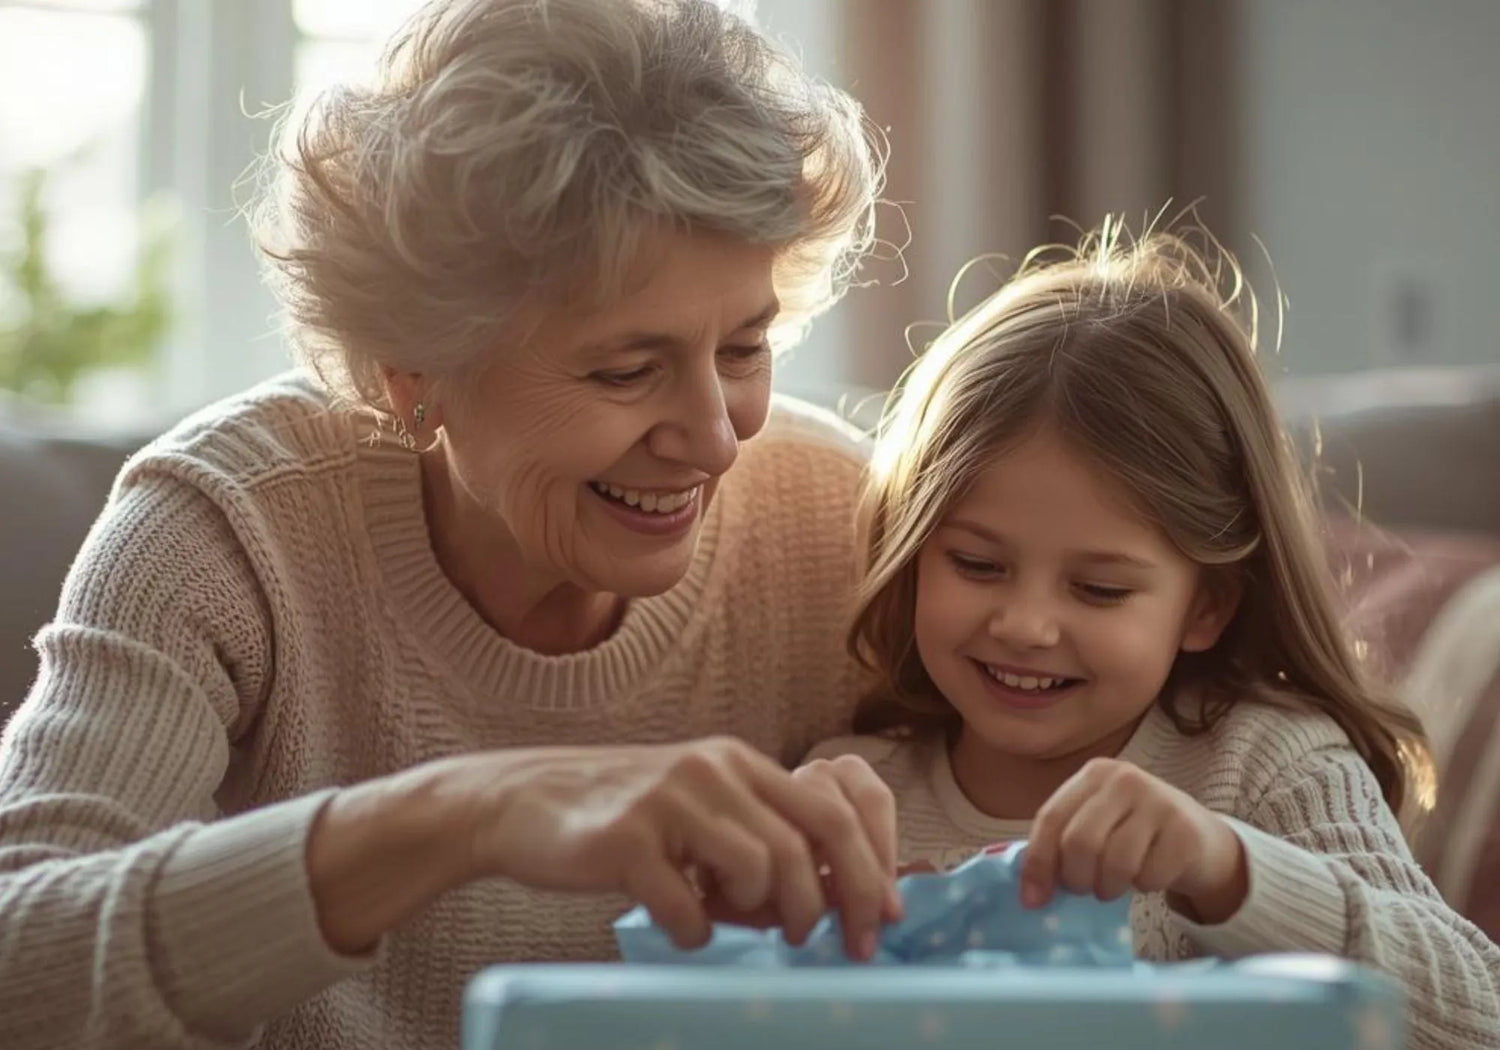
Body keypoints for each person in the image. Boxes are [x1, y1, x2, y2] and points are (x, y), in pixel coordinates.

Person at [0, 2, 904, 1048]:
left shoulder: (836, 524)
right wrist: (465, 817)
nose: (713, 440)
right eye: (626, 370)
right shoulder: (229, 532)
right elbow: (23, 964)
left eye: (745, 350)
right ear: (411, 376)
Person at [803, 221, 1500, 1049]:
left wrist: (1227, 872)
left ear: (1206, 606)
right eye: (977, 565)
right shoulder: (857, 798)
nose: (1025, 625)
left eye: (1098, 589)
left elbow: (1474, 1016)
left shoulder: (1266, 770)